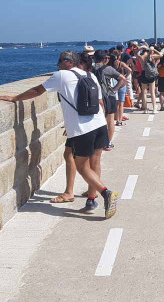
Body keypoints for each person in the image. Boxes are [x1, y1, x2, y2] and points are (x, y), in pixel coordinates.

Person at [0, 51, 118, 218]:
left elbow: (36, 91)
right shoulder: (89, 75)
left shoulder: (61, 76)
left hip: (82, 129)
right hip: (99, 124)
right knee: (95, 161)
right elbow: (100, 103)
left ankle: (106, 193)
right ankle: (91, 200)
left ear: (69, 62)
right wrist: (101, 122)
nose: (57, 64)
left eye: (60, 61)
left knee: (82, 166)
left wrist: (14, 99)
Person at [93, 49, 126, 150]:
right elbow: (122, 79)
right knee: (110, 120)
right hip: (109, 96)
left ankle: (96, 142)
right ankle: (108, 142)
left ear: (94, 58)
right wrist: (114, 88)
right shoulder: (109, 69)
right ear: (104, 59)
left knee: (97, 120)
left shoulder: (89, 69)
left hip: (95, 97)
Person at [137, 45, 162, 113]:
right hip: (151, 75)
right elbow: (160, 55)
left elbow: (136, 53)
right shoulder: (151, 56)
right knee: (152, 92)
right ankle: (154, 109)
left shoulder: (141, 57)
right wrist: (154, 50)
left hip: (143, 74)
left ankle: (145, 109)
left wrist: (139, 48)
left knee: (144, 93)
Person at [110, 51, 131, 126]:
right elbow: (130, 70)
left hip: (113, 83)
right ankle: (119, 120)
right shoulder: (121, 63)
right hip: (122, 83)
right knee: (121, 103)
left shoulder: (110, 64)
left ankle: (114, 118)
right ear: (118, 56)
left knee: (116, 102)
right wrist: (125, 77)